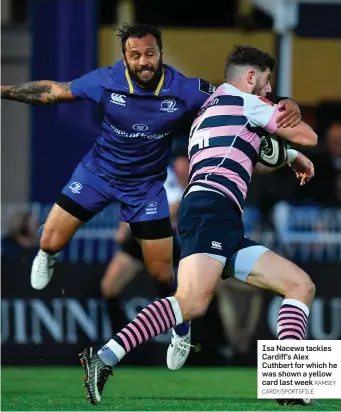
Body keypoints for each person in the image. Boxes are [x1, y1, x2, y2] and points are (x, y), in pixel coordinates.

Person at [1, 23, 300, 369]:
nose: (143, 61)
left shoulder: (185, 90)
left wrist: (284, 102)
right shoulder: (105, 81)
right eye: (135, 55)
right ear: (125, 57)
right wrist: (4, 90)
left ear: (159, 53)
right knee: (50, 240)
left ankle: (181, 331)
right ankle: (48, 255)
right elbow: (52, 91)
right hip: (97, 174)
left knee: (162, 273)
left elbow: (237, 98)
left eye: (150, 53)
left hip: (146, 189)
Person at [79, 45, 317, 406]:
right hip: (211, 209)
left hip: (216, 215)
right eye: (267, 83)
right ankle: (104, 358)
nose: (269, 93)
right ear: (250, 77)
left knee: (300, 285)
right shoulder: (246, 102)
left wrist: (290, 157)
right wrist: (289, 111)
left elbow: (251, 149)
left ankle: (289, 386)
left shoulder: (210, 109)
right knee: (191, 303)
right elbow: (308, 136)